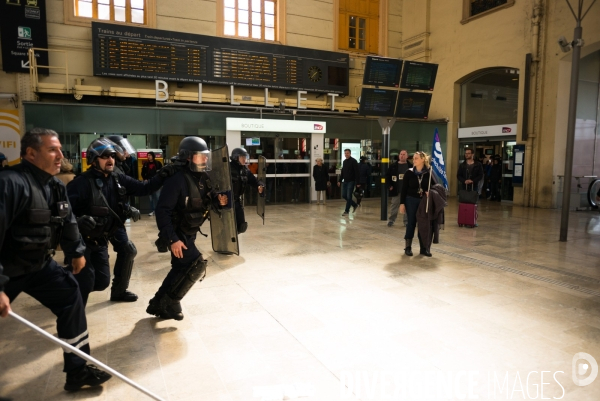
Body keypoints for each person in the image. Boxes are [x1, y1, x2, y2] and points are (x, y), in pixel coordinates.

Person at [0, 128, 112, 391]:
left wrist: (76, 252)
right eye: (52, 149)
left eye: (60, 149)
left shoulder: (54, 185)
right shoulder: (9, 183)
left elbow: (68, 220)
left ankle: (78, 369)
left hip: (38, 266)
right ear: (30, 153)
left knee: (70, 295)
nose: (60, 155)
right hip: (7, 269)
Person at [67, 138, 166, 304]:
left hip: (110, 229)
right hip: (87, 239)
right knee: (89, 280)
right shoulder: (81, 183)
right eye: (105, 156)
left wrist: (165, 173)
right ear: (93, 159)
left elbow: (145, 187)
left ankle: (119, 291)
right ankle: (64, 285)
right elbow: (62, 212)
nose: (110, 159)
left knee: (123, 255)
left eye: (112, 155)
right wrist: (77, 220)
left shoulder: (118, 178)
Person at [147, 137, 228, 321]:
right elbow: (162, 211)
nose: (205, 160)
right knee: (196, 264)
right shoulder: (176, 179)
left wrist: (219, 201)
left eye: (205, 156)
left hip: (190, 232)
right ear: (188, 157)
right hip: (178, 234)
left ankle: (160, 304)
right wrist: (172, 239)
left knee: (179, 269)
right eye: (201, 156)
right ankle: (172, 301)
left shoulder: (202, 177)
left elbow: (210, 196)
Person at [399, 151, 436, 256]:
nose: (413, 160)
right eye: (413, 158)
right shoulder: (409, 172)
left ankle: (424, 248)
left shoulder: (429, 173)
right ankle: (408, 247)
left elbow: (436, 187)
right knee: (411, 222)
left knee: (423, 224)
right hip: (411, 200)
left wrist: (431, 192)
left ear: (423, 160)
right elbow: (404, 189)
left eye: (416, 158)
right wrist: (402, 203)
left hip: (424, 201)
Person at [230, 147, 264, 233]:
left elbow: (254, 180)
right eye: (242, 157)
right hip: (227, 201)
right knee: (227, 226)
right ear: (235, 157)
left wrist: (260, 185)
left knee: (241, 226)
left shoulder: (245, 170)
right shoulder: (227, 168)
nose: (244, 159)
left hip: (237, 200)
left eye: (245, 157)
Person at [387, 150, 412, 227]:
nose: (402, 156)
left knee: (407, 206)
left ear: (407, 156)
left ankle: (406, 222)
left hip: (407, 191)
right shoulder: (393, 166)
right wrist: (389, 185)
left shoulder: (410, 167)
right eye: (401, 154)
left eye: (404, 154)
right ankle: (391, 220)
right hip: (396, 190)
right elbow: (387, 177)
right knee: (394, 206)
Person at [337, 149, 360, 216]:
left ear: (350, 153)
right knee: (344, 195)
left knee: (349, 196)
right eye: (345, 153)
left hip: (351, 181)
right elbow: (343, 172)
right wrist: (340, 180)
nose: (346, 154)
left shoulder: (353, 161)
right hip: (345, 181)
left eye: (347, 153)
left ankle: (346, 211)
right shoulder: (344, 162)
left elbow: (357, 172)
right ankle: (354, 204)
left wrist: (358, 182)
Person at [141, 151, 163, 216]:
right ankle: (152, 210)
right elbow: (142, 173)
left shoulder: (158, 163)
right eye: (148, 155)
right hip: (149, 182)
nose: (149, 157)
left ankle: (158, 210)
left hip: (157, 183)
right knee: (151, 198)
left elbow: (161, 172)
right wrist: (145, 179)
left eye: (150, 155)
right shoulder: (145, 164)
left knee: (157, 197)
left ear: (153, 156)